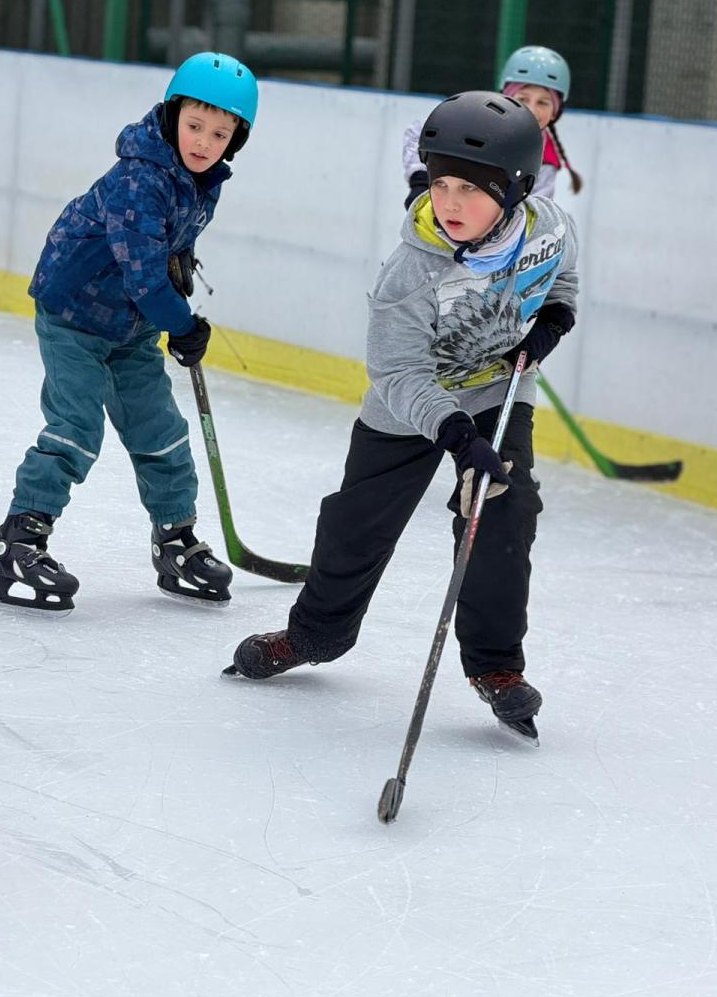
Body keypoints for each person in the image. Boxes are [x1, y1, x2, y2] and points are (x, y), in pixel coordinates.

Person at [227, 91, 578, 739]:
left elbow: (562, 279)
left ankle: (495, 666)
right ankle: (314, 635)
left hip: (497, 389)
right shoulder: (411, 271)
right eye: (441, 183)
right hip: (408, 406)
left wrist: (553, 321)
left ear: (518, 190)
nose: (449, 203)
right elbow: (396, 373)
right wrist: (454, 435)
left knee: (503, 509)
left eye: (470, 190)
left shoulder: (550, 227)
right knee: (355, 525)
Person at [0, 52, 258, 612]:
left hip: (129, 325)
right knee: (76, 427)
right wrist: (182, 324)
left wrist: (181, 271)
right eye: (195, 125)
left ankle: (175, 538)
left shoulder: (202, 181)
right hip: (74, 316)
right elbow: (142, 271)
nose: (204, 142)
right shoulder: (140, 178)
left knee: (162, 430)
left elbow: (169, 250)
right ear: (172, 114)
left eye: (220, 133)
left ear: (236, 140)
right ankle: (18, 541)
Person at [402, 45, 582, 209]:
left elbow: (535, 211)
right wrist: (420, 182)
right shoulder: (478, 117)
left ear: (555, 112)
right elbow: (419, 131)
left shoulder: (547, 160)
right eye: (523, 99)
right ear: (507, 96)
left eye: (543, 102)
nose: (532, 109)